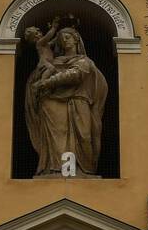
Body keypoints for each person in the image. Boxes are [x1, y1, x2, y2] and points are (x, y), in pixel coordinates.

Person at [24, 24, 108, 176]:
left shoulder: (84, 61)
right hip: (52, 103)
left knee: (84, 136)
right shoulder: (54, 62)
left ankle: (83, 170)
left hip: (79, 101)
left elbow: (75, 75)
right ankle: (56, 169)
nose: (65, 42)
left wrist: (46, 83)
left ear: (76, 39)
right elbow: (38, 75)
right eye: (61, 40)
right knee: (58, 136)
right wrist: (39, 82)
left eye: (67, 38)